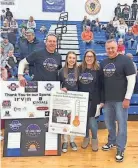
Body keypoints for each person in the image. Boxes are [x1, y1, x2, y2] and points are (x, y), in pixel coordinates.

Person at [100, 39, 136, 162]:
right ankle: (111, 142)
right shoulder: (103, 62)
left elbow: (132, 80)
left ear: (117, 48)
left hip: (121, 100)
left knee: (122, 126)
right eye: (108, 48)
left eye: (112, 48)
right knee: (109, 124)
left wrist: (127, 98)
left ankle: (120, 148)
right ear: (105, 49)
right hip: (108, 100)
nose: (110, 50)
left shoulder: (126, 60)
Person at [78, 50, 104, 151]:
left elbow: (102, 86)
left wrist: (102, 101)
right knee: (84, 122)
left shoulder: (98, 70)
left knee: (92, 122)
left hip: (95, 100)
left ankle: (94, 139)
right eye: (87, 56)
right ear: (84, 58)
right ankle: (86, 137)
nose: (89, 58)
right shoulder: (79, 69)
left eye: (91, 56)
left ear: (94, 58)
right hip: (82, 100)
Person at [59, 51, 78, 153]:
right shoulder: (62, 71)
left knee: (74, 120)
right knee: (65, 120)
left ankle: (72, 140)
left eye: (74, 58)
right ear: (66, 59)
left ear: (75, 60)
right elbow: (58, 84)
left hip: (76, 98)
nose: (71, 60)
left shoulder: (79, 70)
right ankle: (65, 141)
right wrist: (61, 89)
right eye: (70, 57)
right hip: (65, 99)